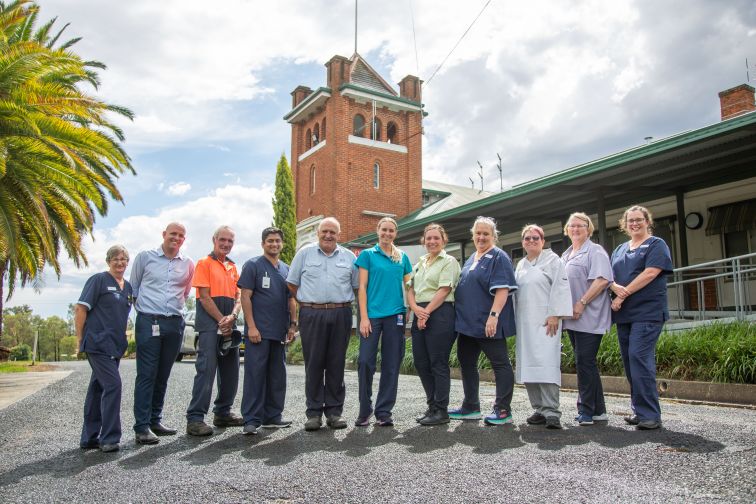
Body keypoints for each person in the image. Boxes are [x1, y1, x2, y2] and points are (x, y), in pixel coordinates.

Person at [287, 217, 359, 431]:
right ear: (318, 233)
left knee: (337, 363)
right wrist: (306, 304)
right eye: (324, 231)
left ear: (339, 234)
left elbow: (356, 287)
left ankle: (335, 412)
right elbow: (291, 283)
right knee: (314, 364)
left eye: (333, 232)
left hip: (341, 313)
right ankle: (314, 413)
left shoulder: (348, 257)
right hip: (312, 314)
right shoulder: (304, 254)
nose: (328, 235)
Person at [130, 222, 195, 445]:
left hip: (174, 323)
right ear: (164, 235)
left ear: (184, 240)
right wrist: (147, 312)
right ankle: (141, 426)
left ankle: (155, 420)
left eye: (181, 235)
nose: (176, 238)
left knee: (163, 374)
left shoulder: (188, 264)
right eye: (173, 234)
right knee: (147, 374)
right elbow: (134, 289)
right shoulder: (145, 258)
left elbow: (185, 292)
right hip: (149, 321)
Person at [449, 216, 518, 426]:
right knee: (466, 362)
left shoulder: (499, 257)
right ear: (473, 235)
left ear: (493, 236)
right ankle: (471, 406)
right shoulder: (472, 258)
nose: (481, 237)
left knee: (500, 364)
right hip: (468, 325)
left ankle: (503, 409)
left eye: (486, 234)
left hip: (488, 323)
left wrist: (493, 316)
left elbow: (503, 289)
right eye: (478, 233)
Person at [610, 206, 673, 431]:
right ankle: (640, 411)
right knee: (629, 363)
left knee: (639, 358)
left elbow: (650, 273)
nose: (635, 224)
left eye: (639, 220)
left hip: (647, 312)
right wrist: (613, 287)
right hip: (624, 314)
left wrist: (622, 293)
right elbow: (610, 276)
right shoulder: (619, 249)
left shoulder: (656, 244)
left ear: (647, 221)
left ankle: (651, 415)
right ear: (624, 224)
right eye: (630, 221)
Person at [238, 227, 297, 436]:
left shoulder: (286, 269)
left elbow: (291, 299)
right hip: (258, 332)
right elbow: (245, 297)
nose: (274, 244)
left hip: (279, 332)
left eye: (278, 241)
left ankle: (273, 416)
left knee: (277, 376)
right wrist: (251, 326)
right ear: (263, 243)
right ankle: (251, 419)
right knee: (255, 375)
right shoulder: (253, 266)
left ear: (282, 244)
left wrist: (293, 324)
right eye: (270, 241)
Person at [354, 217, 413, 427]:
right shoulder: (368, 255)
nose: (387, 234)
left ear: (395, 234)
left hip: (395, 315)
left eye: (391, 231)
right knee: (364, 362)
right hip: (372, 316)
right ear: (378, 231)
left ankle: (384, 411)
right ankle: (364, 409)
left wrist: (410, 307)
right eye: (384, 230)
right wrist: (363, 317)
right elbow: (362, 287)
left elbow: (409, 286)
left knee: (391, 363)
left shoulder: (402, 257)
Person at [185, 225, 243, 436]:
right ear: (214, 239)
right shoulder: (204, 263)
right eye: (223, 240)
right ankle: (195, 419)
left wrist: (233, 317)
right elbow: (204, 296)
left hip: (230, 323)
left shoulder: (234, 267)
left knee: (231, 371)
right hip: (211, 325)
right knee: (206, 371)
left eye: (230, 241)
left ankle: (223, 412)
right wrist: (221, 320)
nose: (226, 244)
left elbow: (239, 297)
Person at [75, 245, 133, 453]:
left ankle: (89, 437)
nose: (119, 263)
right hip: (97, 343)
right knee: (113, 385)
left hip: (114, 345)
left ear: (128, 262)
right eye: (115, 259)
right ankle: (109, 438)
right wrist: (80, 339)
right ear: (108, 261)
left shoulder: (128, 287)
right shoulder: (98, 280)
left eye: (123, 259)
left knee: (98, 388)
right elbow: (81, 308)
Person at [514, 224, 573, 429]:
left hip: (547, 322)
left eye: (535, 238)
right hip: (525, 323)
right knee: (529, 366)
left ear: (543, 241)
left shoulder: (553, 260)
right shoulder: (520, 264)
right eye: (527, 238)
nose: (531, 241)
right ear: (523, 242)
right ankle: (538, 409)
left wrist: (555, 315)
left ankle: (552, 411)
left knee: (546, 365)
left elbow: (561, 287)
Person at [561, 212, 613, 426]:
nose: (575, 229)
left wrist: (582, 302)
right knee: (586, 362)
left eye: (580, 226)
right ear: (567, 230)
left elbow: (602, 280)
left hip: (589, 317)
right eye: (572, 226)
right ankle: (599, 410)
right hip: (572, 318)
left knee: (585, 362)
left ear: (588, 229)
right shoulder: (566, 254)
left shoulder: (595, 251)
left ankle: (586, 410)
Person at [407, 223, 461, 426]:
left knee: (438, 363)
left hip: (440, 313)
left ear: (443, 240)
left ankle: (441, 410)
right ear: (424, 240)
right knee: (421, 363)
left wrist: (425, 313)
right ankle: (431, 406)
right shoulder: (420, 262)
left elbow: (445, 290)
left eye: (436, 238)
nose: (432, 241)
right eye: (428, 238)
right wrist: (415, 308)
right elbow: (410, 288)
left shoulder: (449, 261)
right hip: (420, 311)